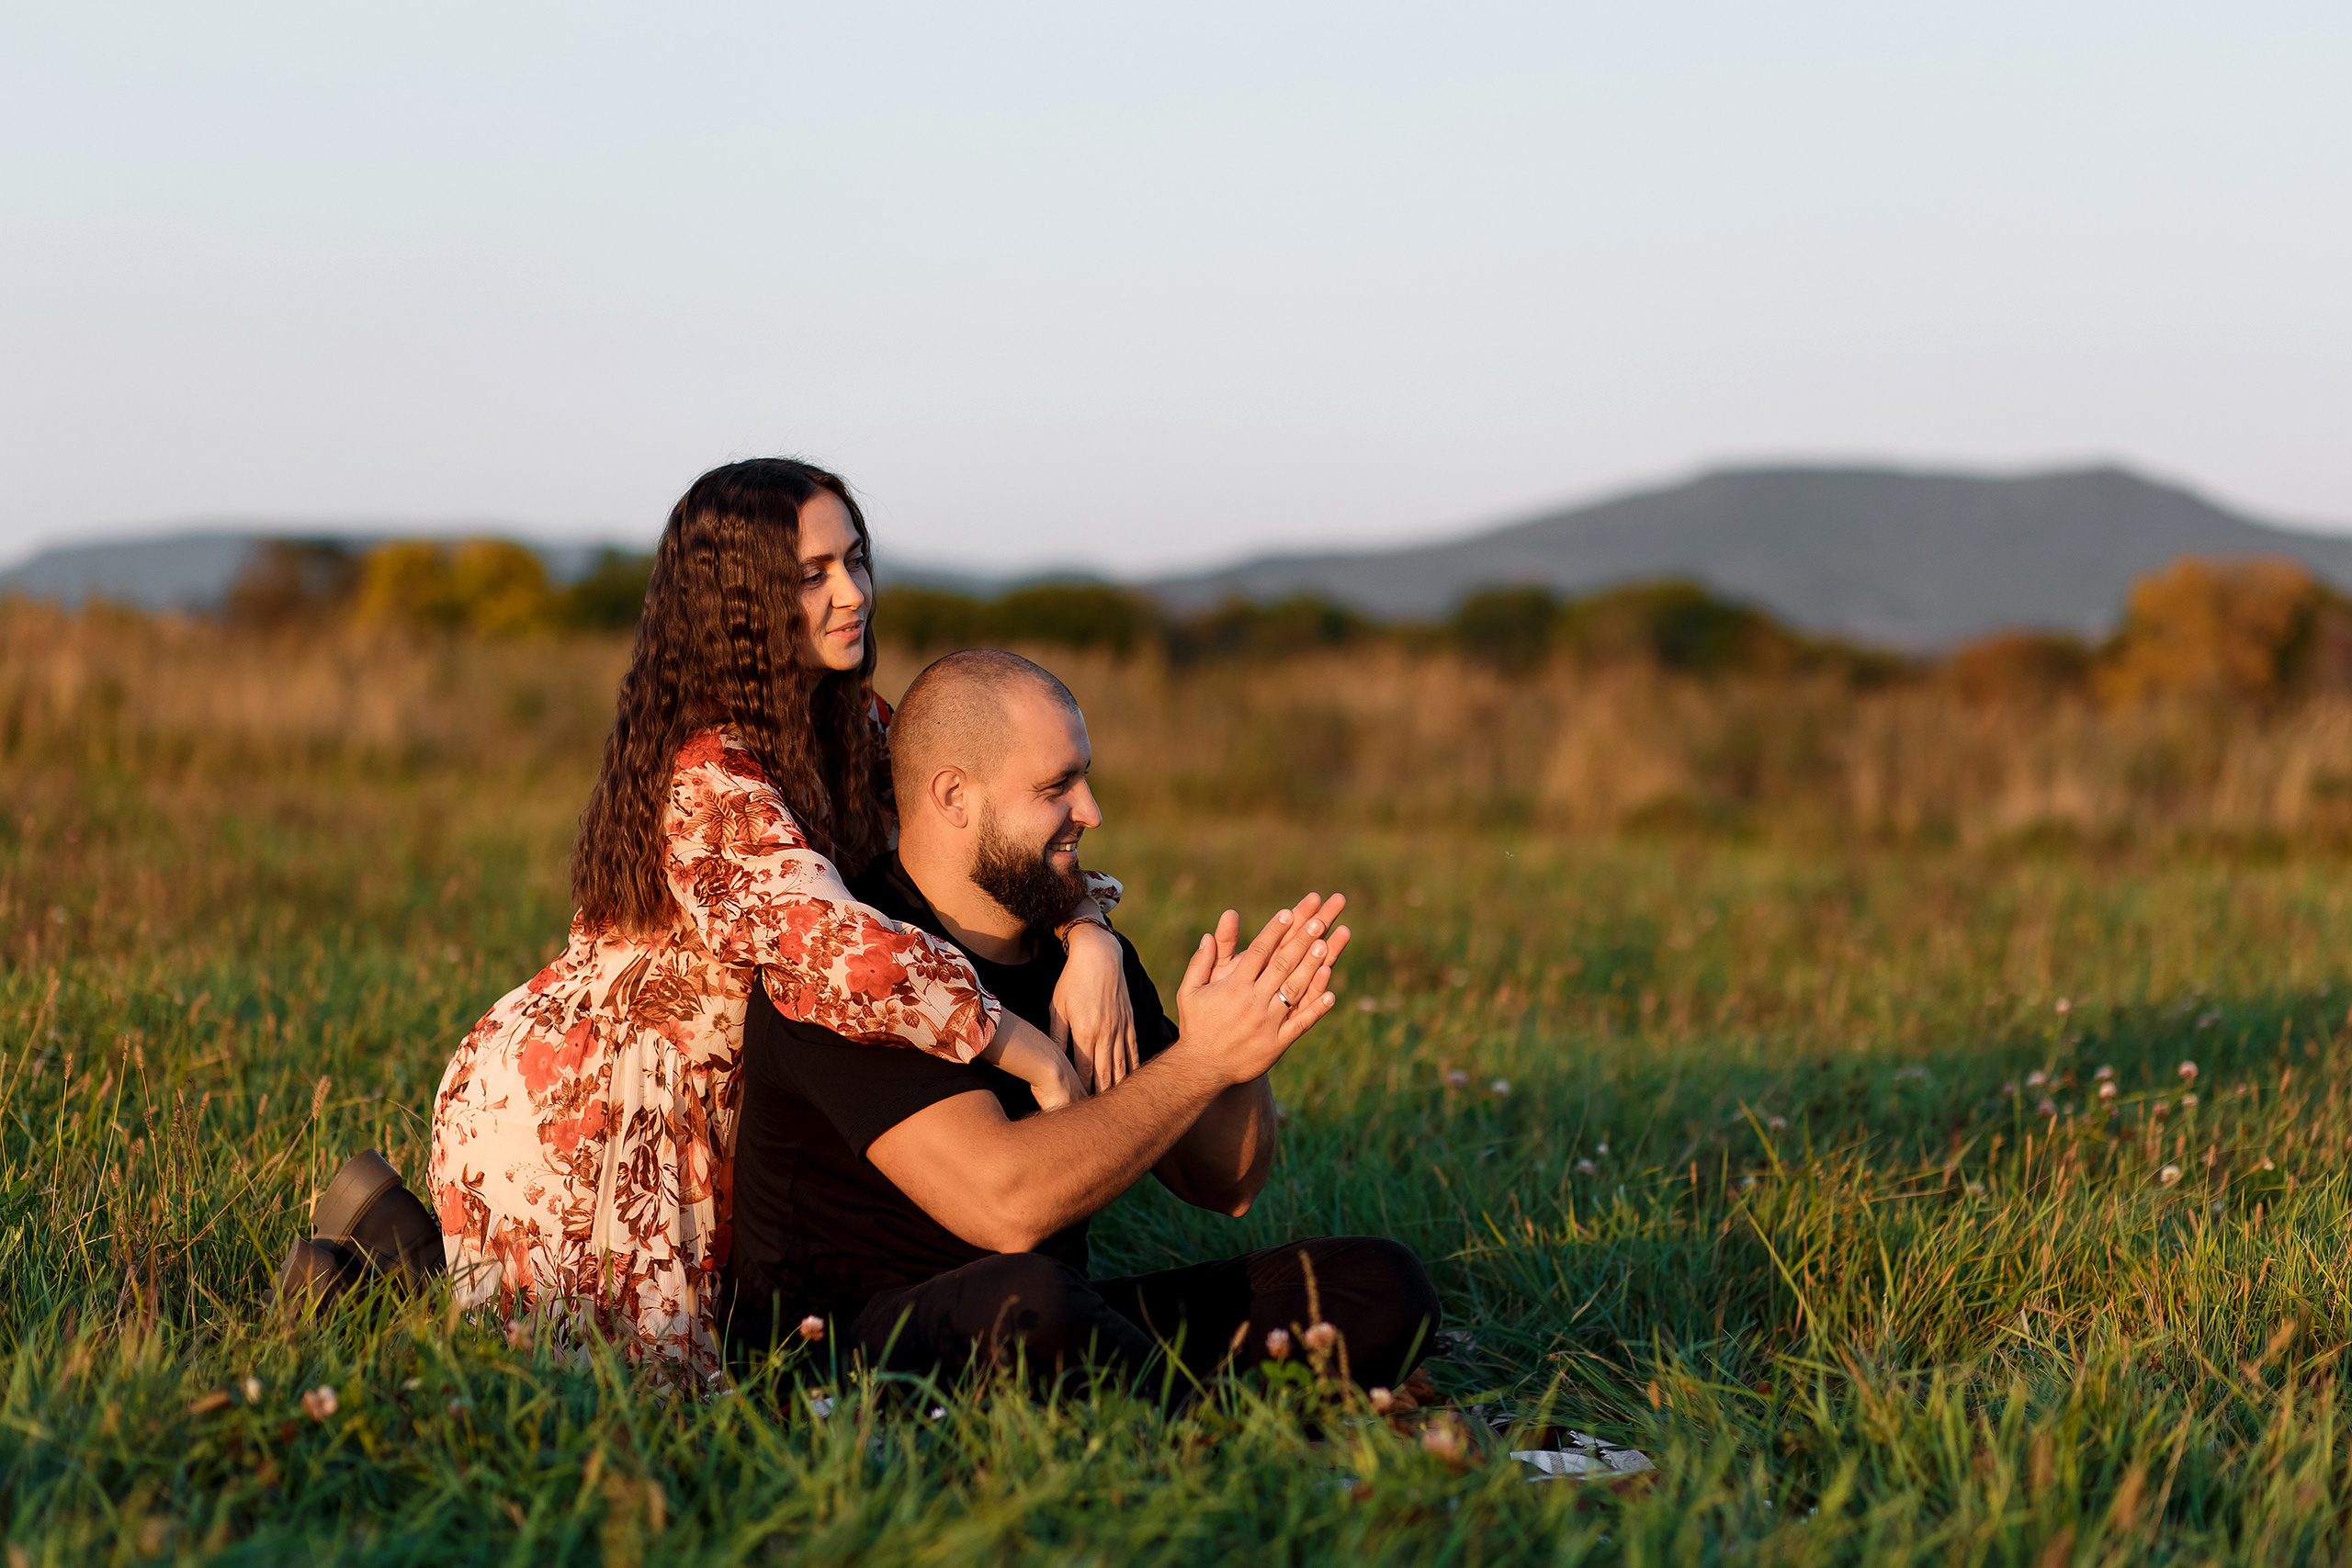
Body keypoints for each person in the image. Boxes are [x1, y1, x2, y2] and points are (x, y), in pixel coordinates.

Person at [428, 459, 1145, 1382]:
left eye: (856, 559)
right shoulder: (710, 774)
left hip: (747, 1091)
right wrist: (1025, 1048)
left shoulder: (854, 724)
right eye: (812, 575)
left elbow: (989, 836)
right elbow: (838, 953)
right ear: (740, 599)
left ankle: (380, 1240)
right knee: (623, 1394)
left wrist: (1089, 934)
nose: (852, 593)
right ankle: (367, 1257)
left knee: (701, 1370)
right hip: (613, 1102)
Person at [726, 649, 1442, 1400]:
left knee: (1378, 1284)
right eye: (1056, 786)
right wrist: (1196, 1065)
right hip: (840, 1355)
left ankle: (1162, 1405)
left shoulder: (1081, 953)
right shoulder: (847, 966)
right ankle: (1214, 1420)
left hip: (1051, 1320)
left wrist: (1236, 1056)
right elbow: (1007, 1206)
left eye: (1085, 777)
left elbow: (1224, 1182)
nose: (1092, 810)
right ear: (954, 795)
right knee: (1030, 1299)